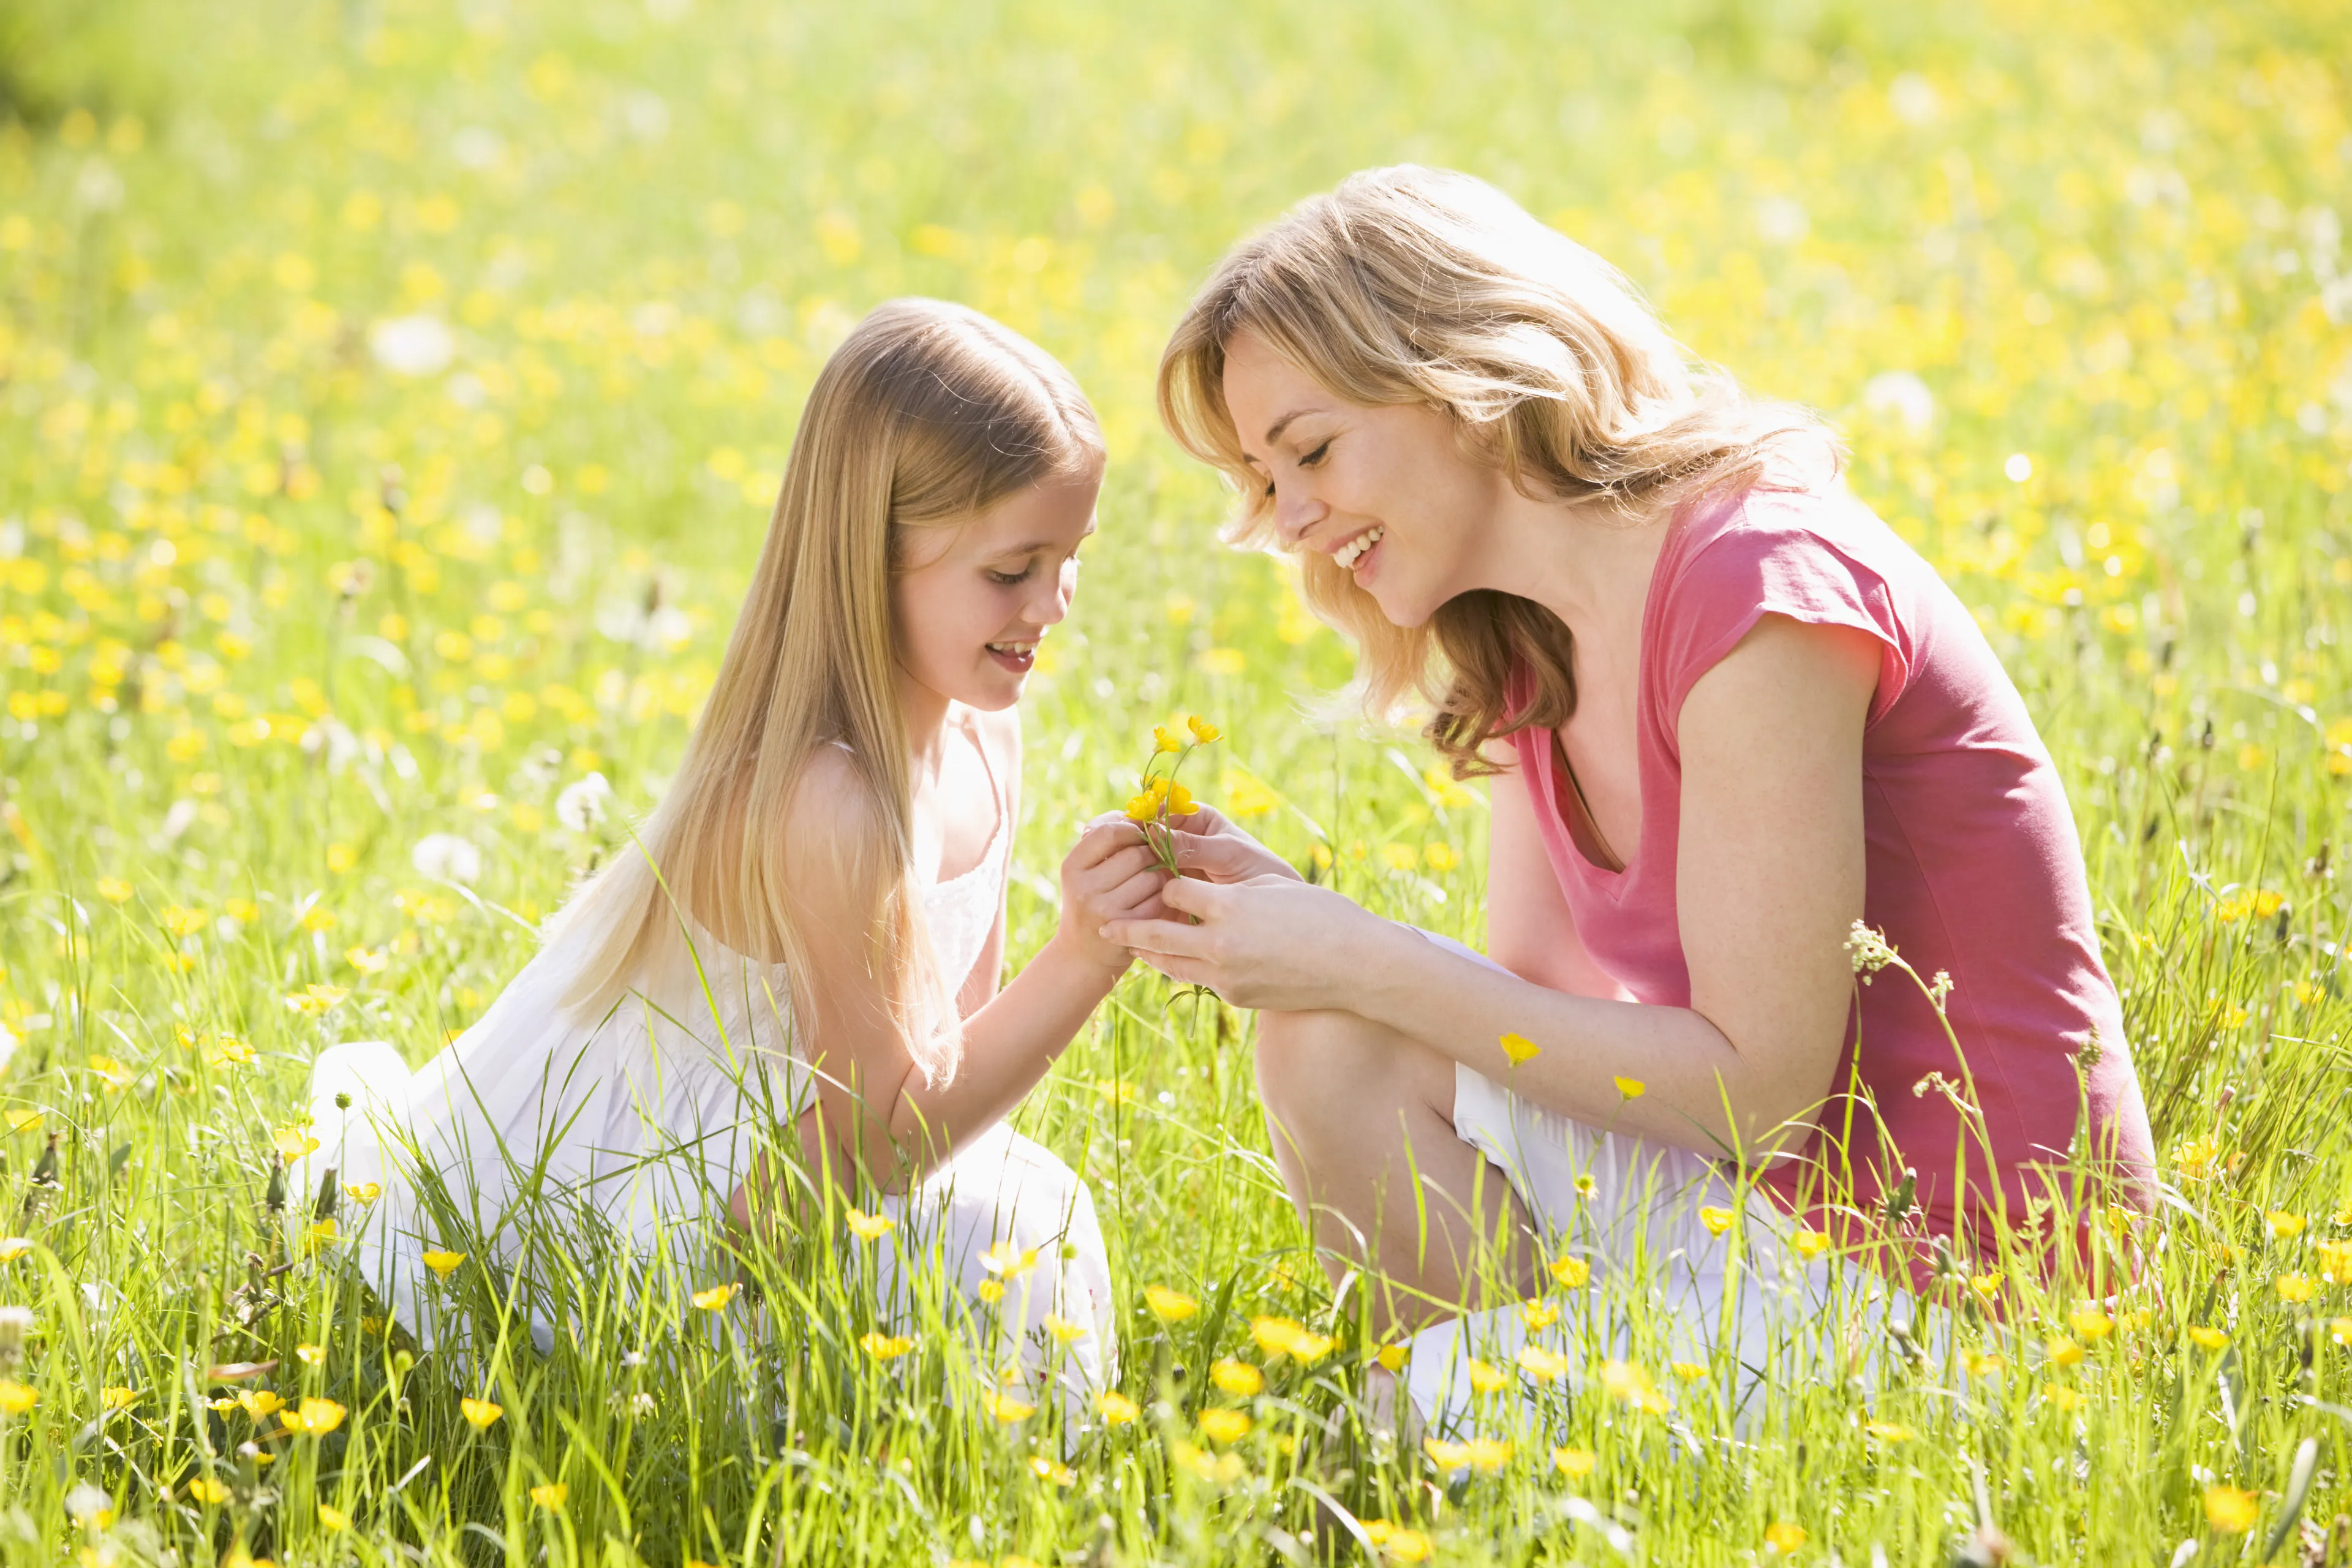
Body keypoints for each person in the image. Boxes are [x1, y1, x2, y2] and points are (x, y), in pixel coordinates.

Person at [1117, 166, 2156, 1431]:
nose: (1287, 520)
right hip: (1769, 1211)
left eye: (1310, 452)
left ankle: (1509, 1431)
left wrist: (1361, 951)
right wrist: (1314, 947)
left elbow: (1758, 1094)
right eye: (1265, 482)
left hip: (1962, 1296)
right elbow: (1530, 1015)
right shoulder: (1526, 642)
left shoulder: (1758, 588)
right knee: (1336, 1039)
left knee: (1422, 1409)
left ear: (1465, 377)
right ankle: (1526, 1425)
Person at [306, 299, 1156, 1402]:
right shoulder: (826, 801)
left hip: (814, 1161)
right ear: (872, 554)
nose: (1055, 605)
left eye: (1071, 557)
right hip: (666, 1188)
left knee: (1010, 1220)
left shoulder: (987, 726)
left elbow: (949, 1057)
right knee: (990, 1233)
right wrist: (1086, 957)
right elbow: (859, 1161)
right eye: (1011, 571)